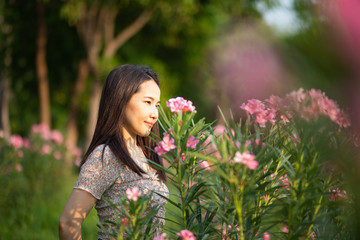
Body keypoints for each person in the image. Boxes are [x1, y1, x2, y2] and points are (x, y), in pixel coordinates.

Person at [59, 64, 168, 240]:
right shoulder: (107, 155)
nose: (155, 113)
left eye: (157, 105)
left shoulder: (145, 154)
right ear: (121, 99)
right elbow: (68, 222)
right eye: (148, 102)